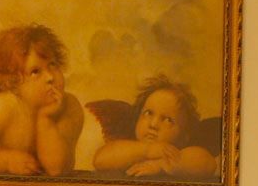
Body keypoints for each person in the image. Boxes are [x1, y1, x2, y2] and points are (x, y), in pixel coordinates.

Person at [0, 24, 84, 177]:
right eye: (35, 72)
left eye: (53, 65)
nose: (50, 77)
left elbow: (56, 169)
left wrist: (45, 119)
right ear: (14, 82)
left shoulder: (70, 106)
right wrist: (6, 161)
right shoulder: (2, 107)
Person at [89, 76, 219, 179]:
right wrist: (147, 150)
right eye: (148, 113)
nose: (153, 124)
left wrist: (161, 165)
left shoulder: (181, 153)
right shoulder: (128, 148)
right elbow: (100, 160)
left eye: (168, 120)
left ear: (184, 136)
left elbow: (208, 163)